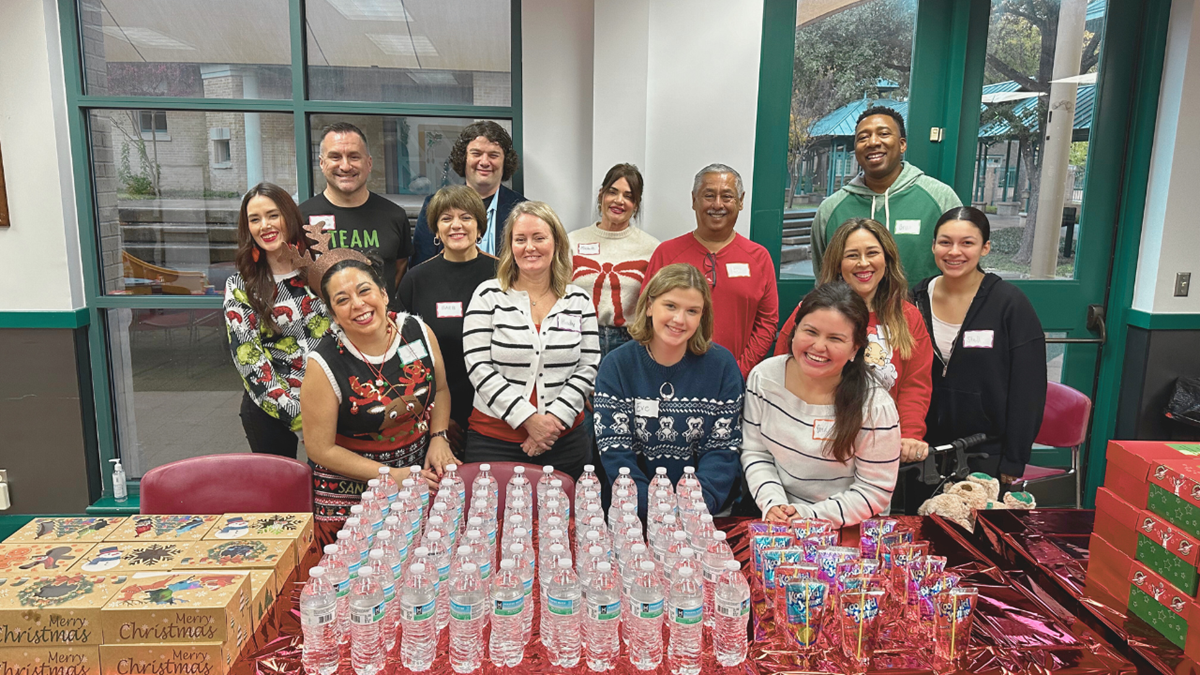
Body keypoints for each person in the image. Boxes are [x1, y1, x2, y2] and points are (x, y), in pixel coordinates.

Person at [296, 233, 448, 542]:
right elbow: (319, 448)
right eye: (342, 300)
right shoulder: (323, 364)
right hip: (350, 496)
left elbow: (441, 389)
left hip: (415, 475)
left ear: (384, 293)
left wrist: (438, 437)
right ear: (333, 313)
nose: (358, 304)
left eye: (364, 291)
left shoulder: (417, 331)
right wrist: (391, 476)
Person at [741, 282, 901, 527]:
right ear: (794, 331)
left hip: (848, 529)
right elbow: (755, 451)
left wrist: (810, 516)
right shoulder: (764, 378)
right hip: (778, 521)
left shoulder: (874, 406)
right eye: (810, 332)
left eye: (835, 339)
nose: (818, 347)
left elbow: (875, 491)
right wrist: (773, 504)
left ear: (854, 349)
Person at [775, 218, 933, 463]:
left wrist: (910, 435)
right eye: (852, 255)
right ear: (838, 264)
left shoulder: (908, 317)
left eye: (872, 253)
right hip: (813, 443)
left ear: (887, 260)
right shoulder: (808, 312)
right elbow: (783, 370)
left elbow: (915, 385)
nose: (863, 263)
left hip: (881, 445)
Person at [462, 201, 600, 479]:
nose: (530, 247)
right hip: (493, 441)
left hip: (564, 441)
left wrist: (552, 422)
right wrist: (527, 419)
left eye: (539, 238)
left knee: (566, 520)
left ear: (556, 242)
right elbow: (478, 367)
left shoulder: (578, 300)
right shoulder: (488, 296)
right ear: (510, 247)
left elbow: (587, 366)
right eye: (520, 239)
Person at [594, 264, 744, 517]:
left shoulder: (722, 366)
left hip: (703, 514)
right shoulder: (617, 366)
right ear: (650, 306)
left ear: (702, 316)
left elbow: (721, 451)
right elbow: (617, 454)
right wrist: (654, 510)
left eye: (692, 311)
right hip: (632, 515)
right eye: (670, 306)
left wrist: (691, 508)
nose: (679, 320)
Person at [912, 206, 1046, 487]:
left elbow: (1028, 389)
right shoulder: (914, 299)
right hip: (921, 452)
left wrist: (1014, 458)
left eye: (967, 243)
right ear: (933, 245)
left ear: (985, 248)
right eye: (945, 242)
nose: (954, 252)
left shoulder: (1009, 304)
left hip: (986, 453)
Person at [224, 183, 332, 459]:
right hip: (271, 408)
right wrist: (298, 419)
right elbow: (249, 359)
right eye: (255, 219)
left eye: (273, 215)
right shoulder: (241, 285)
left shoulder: (321, 267)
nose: (265, 226)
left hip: (332, 401)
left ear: (289, 216)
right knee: (283, 497)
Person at [643, 164, 778, 378]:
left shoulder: (759, 258)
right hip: (671, 377)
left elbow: (767, 323)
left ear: (741, 201)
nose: (717, 204)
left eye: (727, 196)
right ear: (694, 199)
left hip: (735, 380)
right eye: (708, 195)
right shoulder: (667, 253)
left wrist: (737, 372)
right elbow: (647, 316)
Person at [395, 186, 498, 453]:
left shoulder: (504, 275)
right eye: (446, 218)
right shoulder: (416, 280)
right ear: (436, 230)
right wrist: (435, 416)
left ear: (479, 226)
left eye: (466, 217)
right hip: (435, 413)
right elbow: (405, 352)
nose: (456, 225)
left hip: (497, 412)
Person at [811, 106, 962, 282]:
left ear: (902, 144)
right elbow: (824, 275)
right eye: (863, 137)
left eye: (883, 134)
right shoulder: (830, 210)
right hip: (852, 310)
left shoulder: (940, 198)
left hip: (924, 309)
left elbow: (963, 265)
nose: (873, 142)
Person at [300, 122, 412, 308]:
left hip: (379, 328)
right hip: (321, 331)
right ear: (321, 163)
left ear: (368, 163)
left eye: (354, 157)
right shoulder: (300, 217)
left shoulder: (394, 216)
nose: (345, 166)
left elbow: (399, 268)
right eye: (335, 157)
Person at [569, 163, 661, 359]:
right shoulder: (572, 241)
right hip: (578, 337)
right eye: (613, 192)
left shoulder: (651, 248)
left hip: (628, 342)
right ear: (601, 195)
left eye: (628, 196)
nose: (619, 201)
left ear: (636, 204)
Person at [411, 121, 527, 266]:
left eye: (493, 155)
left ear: (505, 161)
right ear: (463, 159)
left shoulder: (522, 209)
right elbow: (421, 267)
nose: (484, 162)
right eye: (476, 154)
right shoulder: (434, 205)